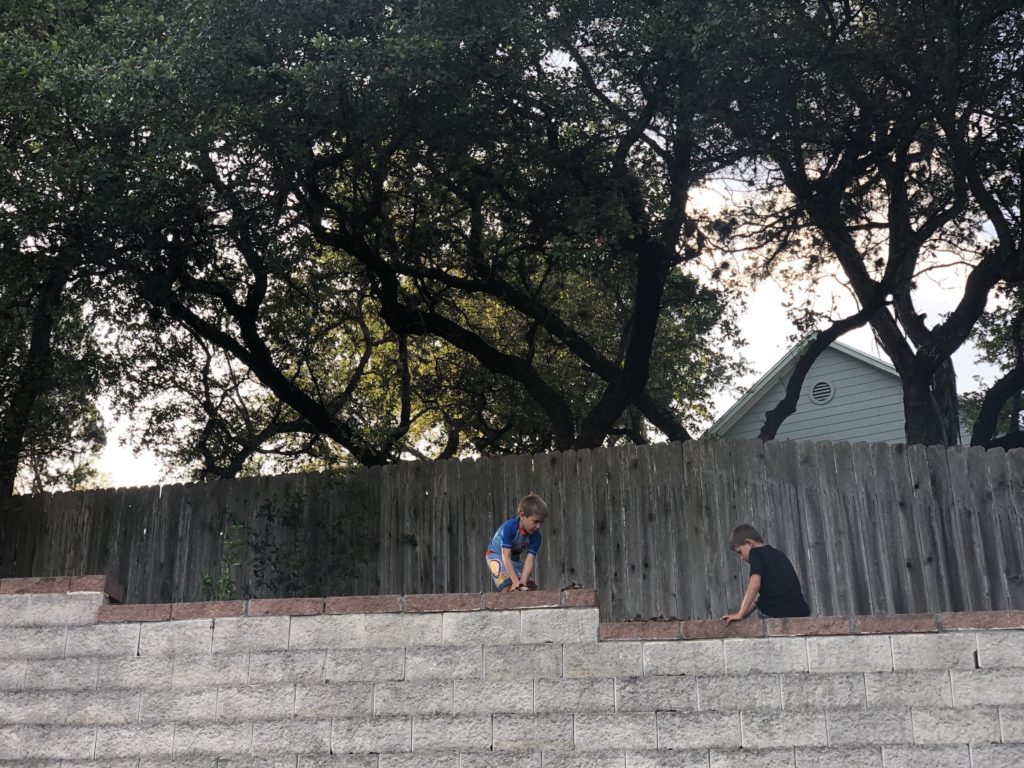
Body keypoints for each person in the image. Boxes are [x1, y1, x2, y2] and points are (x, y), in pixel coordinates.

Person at [721, 523, 810, 622]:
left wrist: (740, 614)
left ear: (749, 543)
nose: (741, 558)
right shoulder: (777, 554)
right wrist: (743, 614)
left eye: (740, 552)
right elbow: (759, 596)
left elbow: (754, 585)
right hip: (800, 611)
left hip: (777, 613)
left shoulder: (755, 552)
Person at [485, 493, 548, 591]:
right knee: (508, 586)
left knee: (525, 587)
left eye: (541, 522)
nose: (538, 526)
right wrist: (515, 581)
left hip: (513, 559)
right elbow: (505, 555)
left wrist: (522, 582)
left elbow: (530, 560)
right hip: (496, 555)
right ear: (522, 515)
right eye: (535, 521)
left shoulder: (536, 537)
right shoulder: (509, 527)